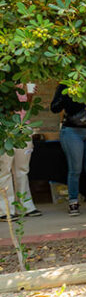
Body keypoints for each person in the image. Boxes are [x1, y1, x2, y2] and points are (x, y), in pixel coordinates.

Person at [51, 83, 86, 216]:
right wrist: (67, 94)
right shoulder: (64, 86)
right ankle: (73, 201)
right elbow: (54, 108)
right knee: (75, 168)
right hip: (72, 130)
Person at [0, 83, 41, 220]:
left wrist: (29, 95)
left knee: (22, 169)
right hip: (5, 128)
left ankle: (24, 206)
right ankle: (5, 210)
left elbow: (24, 108)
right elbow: (10, 107)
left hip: (23, 128)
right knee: (4, 169)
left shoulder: (22, 82)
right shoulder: (5, 84)